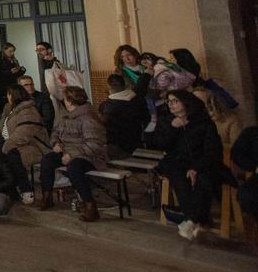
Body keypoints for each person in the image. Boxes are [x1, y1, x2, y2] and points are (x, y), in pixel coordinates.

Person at [153, 89, 231, 241]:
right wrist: (173, 128)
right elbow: (159, 144)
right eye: (169, 101)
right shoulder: (166, 121)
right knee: (180, 178)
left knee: (204, 178)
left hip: (203, 162)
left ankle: (191, 220)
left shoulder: (202, 121)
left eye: (175, 101)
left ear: (185, 102)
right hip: (176, 163)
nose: (171, 105)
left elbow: (212, 151)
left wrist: (196, 167)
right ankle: (200, 220)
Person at [36, 86, 107, 222]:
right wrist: (55, 143)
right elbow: (55, 133)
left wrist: (73, 154)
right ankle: (47, 196)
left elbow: (94, 144)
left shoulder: (88, 118)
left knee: (75, 168)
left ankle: (90, 205)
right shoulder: (64, 115)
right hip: (66, 151)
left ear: (70, 100)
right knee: (47, 160)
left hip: (89, 155)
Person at [0, 83, 49, 204]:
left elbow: (23, 133)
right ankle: (6, 189)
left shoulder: (28, 110)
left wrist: (5, 146)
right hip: (11, 142)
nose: (7, 96)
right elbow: (0, 124)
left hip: (32, 145)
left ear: (14, 95)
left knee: (11, 155)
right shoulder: (8, 108)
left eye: (8, 94)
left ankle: (25, 189)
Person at [99, 73, 149, 159]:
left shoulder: (106, 106)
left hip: (117, 148)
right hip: (137, 142)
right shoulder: (138, 100)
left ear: (109, 86)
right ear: (124, 85)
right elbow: (146, 119)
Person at [0, 43, 25, 109]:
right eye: (10, 51)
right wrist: (9, 71)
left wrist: (21, 70)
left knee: (14, 104)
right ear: (4, 50)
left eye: (13, 51)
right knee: (4, 105)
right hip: (1, 87)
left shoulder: (13, 60)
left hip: (12, 85)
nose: (12, 53)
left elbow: (16, 75)